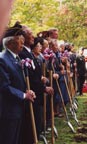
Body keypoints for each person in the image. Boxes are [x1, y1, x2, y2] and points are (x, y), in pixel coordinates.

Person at [0, 28, 36, 144]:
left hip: (17, 108)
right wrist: (23, 95)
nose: (22, 44)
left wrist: (27, 91)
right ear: (10, 43)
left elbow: (18, 81)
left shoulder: (17, 58)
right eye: (19, 41)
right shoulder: (3, 60)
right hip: (8, 109)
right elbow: (4, 86)